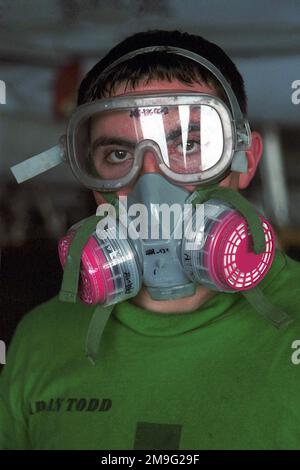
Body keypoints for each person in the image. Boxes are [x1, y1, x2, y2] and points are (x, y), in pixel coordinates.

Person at [1, 29, 300, 450]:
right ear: (90, 179)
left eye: (189, 145)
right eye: (119, 155)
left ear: (245, 160)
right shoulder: (42, 337)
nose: (151, 185)